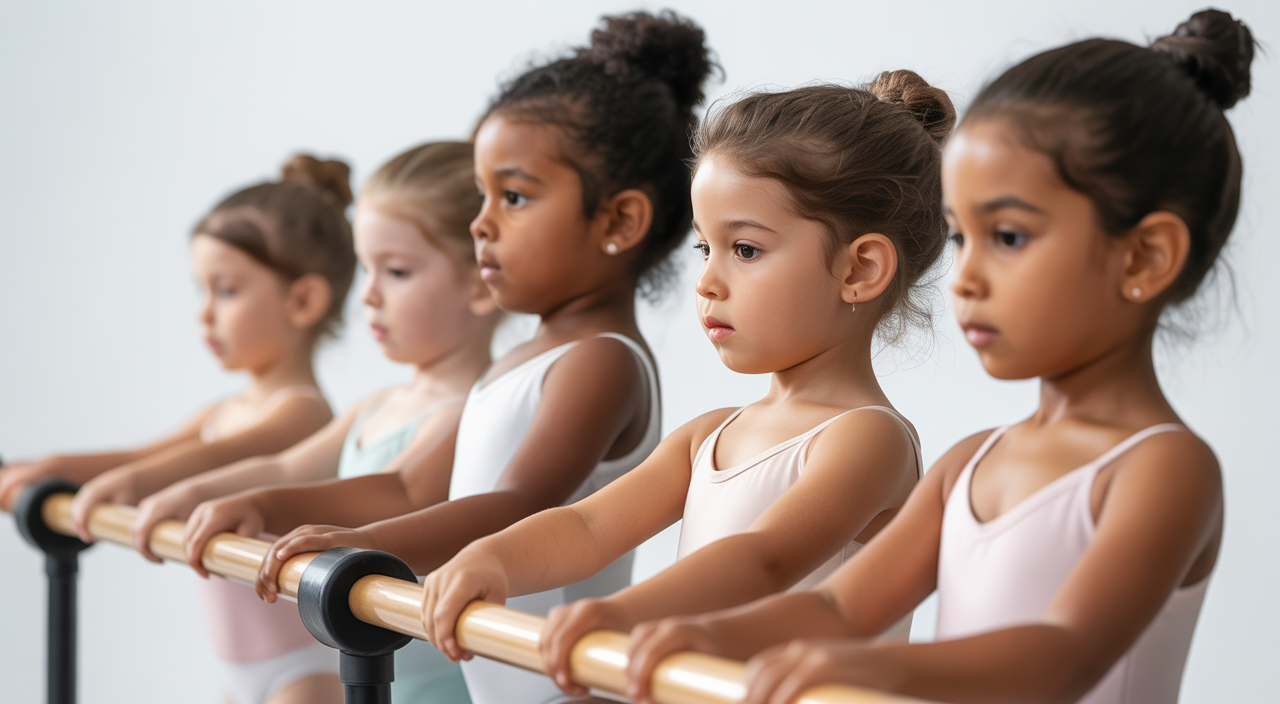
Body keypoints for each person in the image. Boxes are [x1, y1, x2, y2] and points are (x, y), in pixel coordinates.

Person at [621, 9, 1253, 704]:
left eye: (1008, 237)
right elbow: (837, 609)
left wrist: (873, 669)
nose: (965, 277)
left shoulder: (1166, 469)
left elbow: (1065, 653)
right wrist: (706, 636)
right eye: (960, 238)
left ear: (1144, 256)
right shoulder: (967, 464)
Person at [184, 11, 716, 704]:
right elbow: (408, 485)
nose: (480, 223)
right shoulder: (524, 359)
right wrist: (263, 504)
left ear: (618, 221)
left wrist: (365, 543)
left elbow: (517, 504)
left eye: (514, 197)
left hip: (559, 689)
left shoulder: (602, 361)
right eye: (482, 194)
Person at [421, 72, 958, 699]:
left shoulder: (867, 439)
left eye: (746, 249)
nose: (706, 281)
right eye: (706, 247)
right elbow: (587, 528)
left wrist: (625, 614)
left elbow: (765, 559)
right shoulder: (708, 436)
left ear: (859, 268)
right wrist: (490, 558)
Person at [132, 142, 498, 703]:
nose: (369, 295)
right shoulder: (374, 405)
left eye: (396, 271)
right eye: (368, 268)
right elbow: (281, 464)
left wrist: (261, 506)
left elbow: (396, 491)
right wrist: (197, 493)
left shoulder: (469, 413)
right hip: (361, 671)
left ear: (479, 281)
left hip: (427, 687)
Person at [0, 155, 357, 704]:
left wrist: (132, 484)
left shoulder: (301, 413)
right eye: (201, 290)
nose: (204, 313)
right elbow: (143, 455)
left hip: (302, 670)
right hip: (235, 668)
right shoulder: (222, 411)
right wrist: (43, 469)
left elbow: (204, 463)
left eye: (227, 290)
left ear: (303, 299)